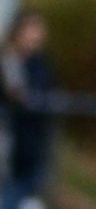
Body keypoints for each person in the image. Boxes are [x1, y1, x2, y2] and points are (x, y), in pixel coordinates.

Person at [1, 13, 54, 209]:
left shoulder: (41, 64)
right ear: (18, 33)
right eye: (32, 30)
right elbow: (16, 94)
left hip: (33, 143)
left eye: (39, 30)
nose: (37, 36)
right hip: (10, 145)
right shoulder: (8, 61)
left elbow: (47, 94)